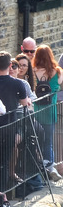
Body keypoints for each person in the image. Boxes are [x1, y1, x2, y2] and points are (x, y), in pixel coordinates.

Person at [0, 52, 32, 194]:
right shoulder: (18, 83)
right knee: (4, 162)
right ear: (10, 65)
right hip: (9, 126)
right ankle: (2, 195)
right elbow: (24, 103)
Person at [31, 45, 63, 177]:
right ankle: (50, 167)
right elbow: (59, 85)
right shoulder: (58, 72)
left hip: (37, 110)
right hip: (50, 110)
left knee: (37, 140)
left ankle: (42, 168)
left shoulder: (34, 71)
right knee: (48, 141)